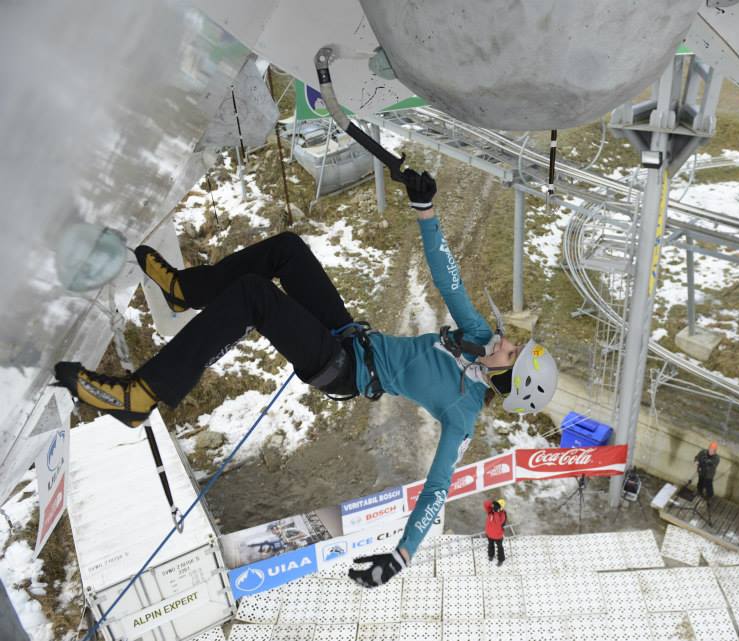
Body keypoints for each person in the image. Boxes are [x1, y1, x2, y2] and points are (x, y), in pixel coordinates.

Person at [53, 169, 559, 589]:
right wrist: (426, 212)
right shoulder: (474, 336)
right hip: (349, 337)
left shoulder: (462, 413)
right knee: (289, 251)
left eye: (511, 349)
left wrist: (400, 557)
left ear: (509, 379)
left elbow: (436, 490)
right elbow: (448, 279)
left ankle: (143, 393)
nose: (503, 340)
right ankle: (188, 289)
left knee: (255, 295)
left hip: (340, 369)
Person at [484, 498, 508, 566]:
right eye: (496, 505)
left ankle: (501, 559)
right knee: (490, 545)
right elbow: (485, 504)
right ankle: (491, 555)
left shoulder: (502, 514)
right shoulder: (490, 511)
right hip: (489, 533)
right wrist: (492, 503)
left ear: (501, 508)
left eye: (498, 505)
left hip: (498, 535)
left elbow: (498, 522)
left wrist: (496, 511)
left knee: (500, 547)